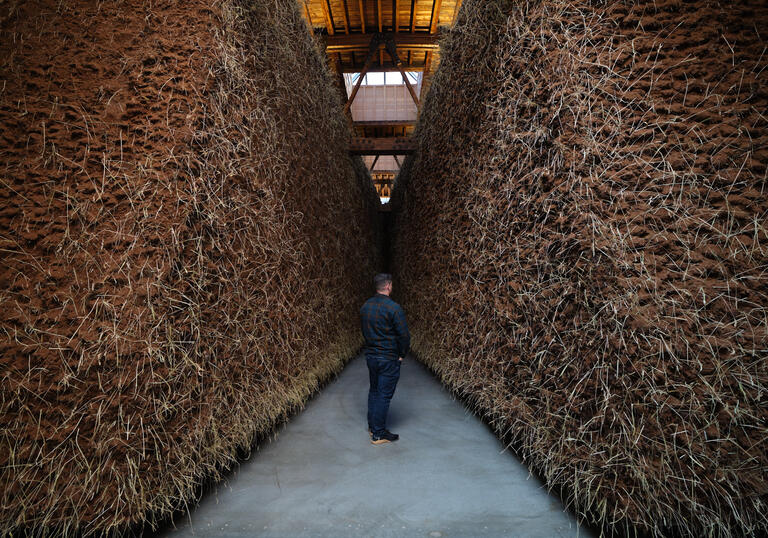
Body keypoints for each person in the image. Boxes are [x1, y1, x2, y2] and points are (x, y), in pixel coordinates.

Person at [359, 273, 410, 445]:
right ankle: (379, 434)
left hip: (371, 357)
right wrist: (402, 353)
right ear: (388, 285)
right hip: (388, 358)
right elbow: (404, 336)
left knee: (374, 391)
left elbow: (364, 332)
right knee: (383, 395)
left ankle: (373, 427)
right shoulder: (394, 308)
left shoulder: (365, 307)